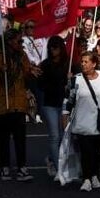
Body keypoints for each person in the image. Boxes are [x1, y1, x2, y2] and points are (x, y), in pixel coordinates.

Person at [0, 29, 41, 182]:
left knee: (20, 137)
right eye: (18, 41)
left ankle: (22, 167)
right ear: (9, 42)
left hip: (18, 102)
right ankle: (5, 167)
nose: (21, 44)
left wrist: (31, 71)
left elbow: (26, 72)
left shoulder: (22, 56)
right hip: (3, 102)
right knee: (3, 137)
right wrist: (0, 73)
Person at [63, 51, 100, 191]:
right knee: (86, 152)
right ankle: (87, 179)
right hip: (82, 123)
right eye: (82, 61)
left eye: (86, 61)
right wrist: (64, 118)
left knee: (96, 152)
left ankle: (94, 176)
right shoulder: (76, 80)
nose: (83, 64)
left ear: (94, 63)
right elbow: (68, 101)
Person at [38, 36, 69, 174]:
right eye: (51, 46)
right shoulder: (45, 65)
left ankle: (51, 157)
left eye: (56, 47)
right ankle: (59, 168)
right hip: (49, 103)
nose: (53, 49)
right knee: (54, 135)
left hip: (64, 103)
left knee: (63, 135)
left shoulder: (68, 64)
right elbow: (40, 84)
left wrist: (70, 78)